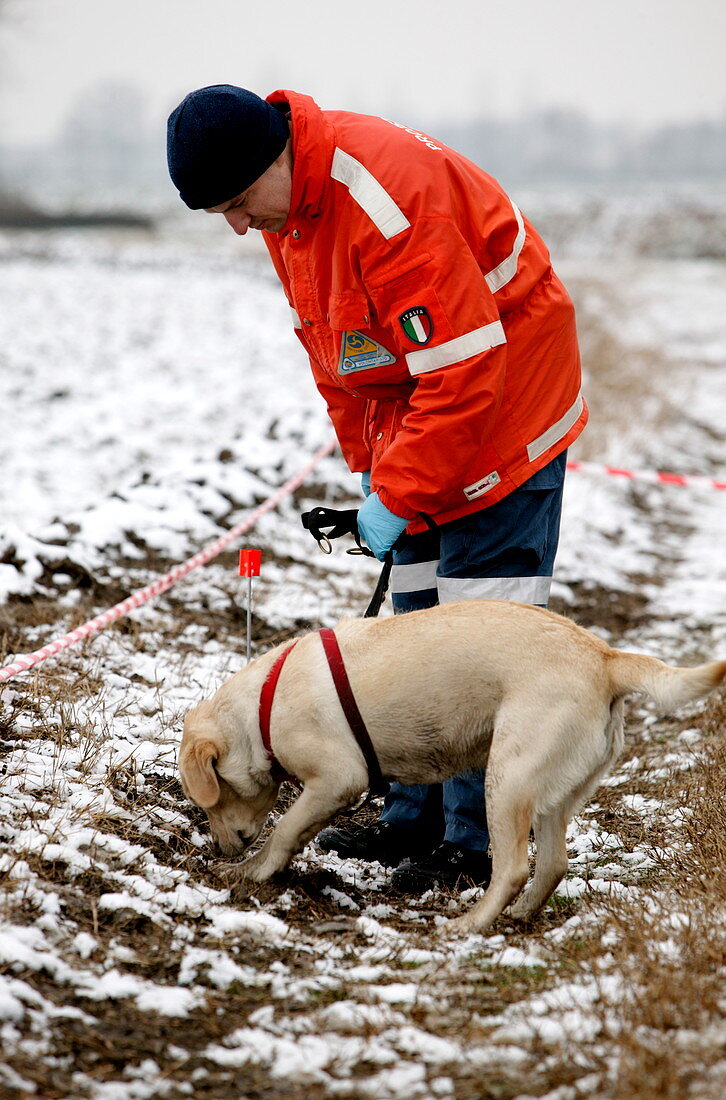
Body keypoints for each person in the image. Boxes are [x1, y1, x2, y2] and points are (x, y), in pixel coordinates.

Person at [167, 85, 587, 894]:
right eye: (219, 212)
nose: (238, 226)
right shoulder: (288, 211)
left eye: (239, 201)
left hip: (504, 408)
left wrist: (400, 492)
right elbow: (344, 360)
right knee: (417, 628)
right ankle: (411, 817)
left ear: (274, 158)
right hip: (423, 422)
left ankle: (472, 844)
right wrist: (375, 471)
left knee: (475, 636)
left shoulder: (384, 202)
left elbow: (466, 372)